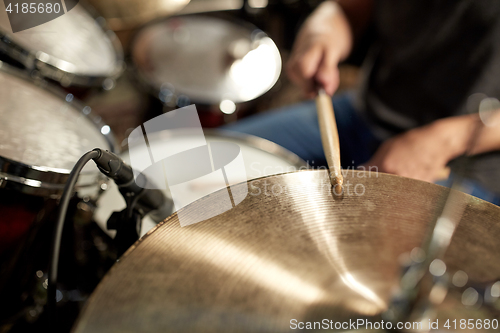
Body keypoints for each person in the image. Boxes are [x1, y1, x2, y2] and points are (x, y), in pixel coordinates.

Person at [225, 0, 500, 205]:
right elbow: (350, 9)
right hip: (360, 113)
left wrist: (446, 141)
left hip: (464, 158)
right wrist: (324, 29)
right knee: (196, 171)